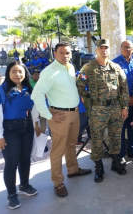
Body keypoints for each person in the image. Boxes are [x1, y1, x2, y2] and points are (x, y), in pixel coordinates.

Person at [31, 42, 91, 197]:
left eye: (68, 53)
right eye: (62, 53)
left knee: (71, 144)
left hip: (74, 113)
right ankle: (58, 182)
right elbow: (36, 95)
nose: (66, 56)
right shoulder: (49, 72)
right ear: (55, 53)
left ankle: (73, 169)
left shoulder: (70, 68)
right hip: (59, 115)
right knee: (58, 150)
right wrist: (49, 116)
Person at [77, 39, 130, 182]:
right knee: (97, 138)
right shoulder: (88, 68)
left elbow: (124, 88)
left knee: (115, 136)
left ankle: (116, 162)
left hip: (115, 108)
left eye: (106, 47)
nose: (104, 50)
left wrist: (125, 107)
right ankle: (98, 167)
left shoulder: (116, 67)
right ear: (96, 50)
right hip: (98, 109)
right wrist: (89, 99)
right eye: (101, 47)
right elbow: (80, 85)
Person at [0, 61, 39, 209]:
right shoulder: (1, 90)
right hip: (9, 130)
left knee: (25, 159)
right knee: (12, 162)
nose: (17, 74)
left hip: (27, 127)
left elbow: (34, 108)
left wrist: (36, 124)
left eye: (20, 71)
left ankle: (24, 185)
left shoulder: (28, 88)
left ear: (25, 73)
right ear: (8, 73)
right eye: (13, 71)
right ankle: (11, 194)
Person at [112, 41, 133, 162]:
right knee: (120, 129)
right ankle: (120, 156)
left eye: (129, 48)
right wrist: (125, 99)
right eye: (124, 47)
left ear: (132, 49)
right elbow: (113, 85)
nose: (127, 49)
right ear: (120, 48)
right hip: (121, 103)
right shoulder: (114, 63)